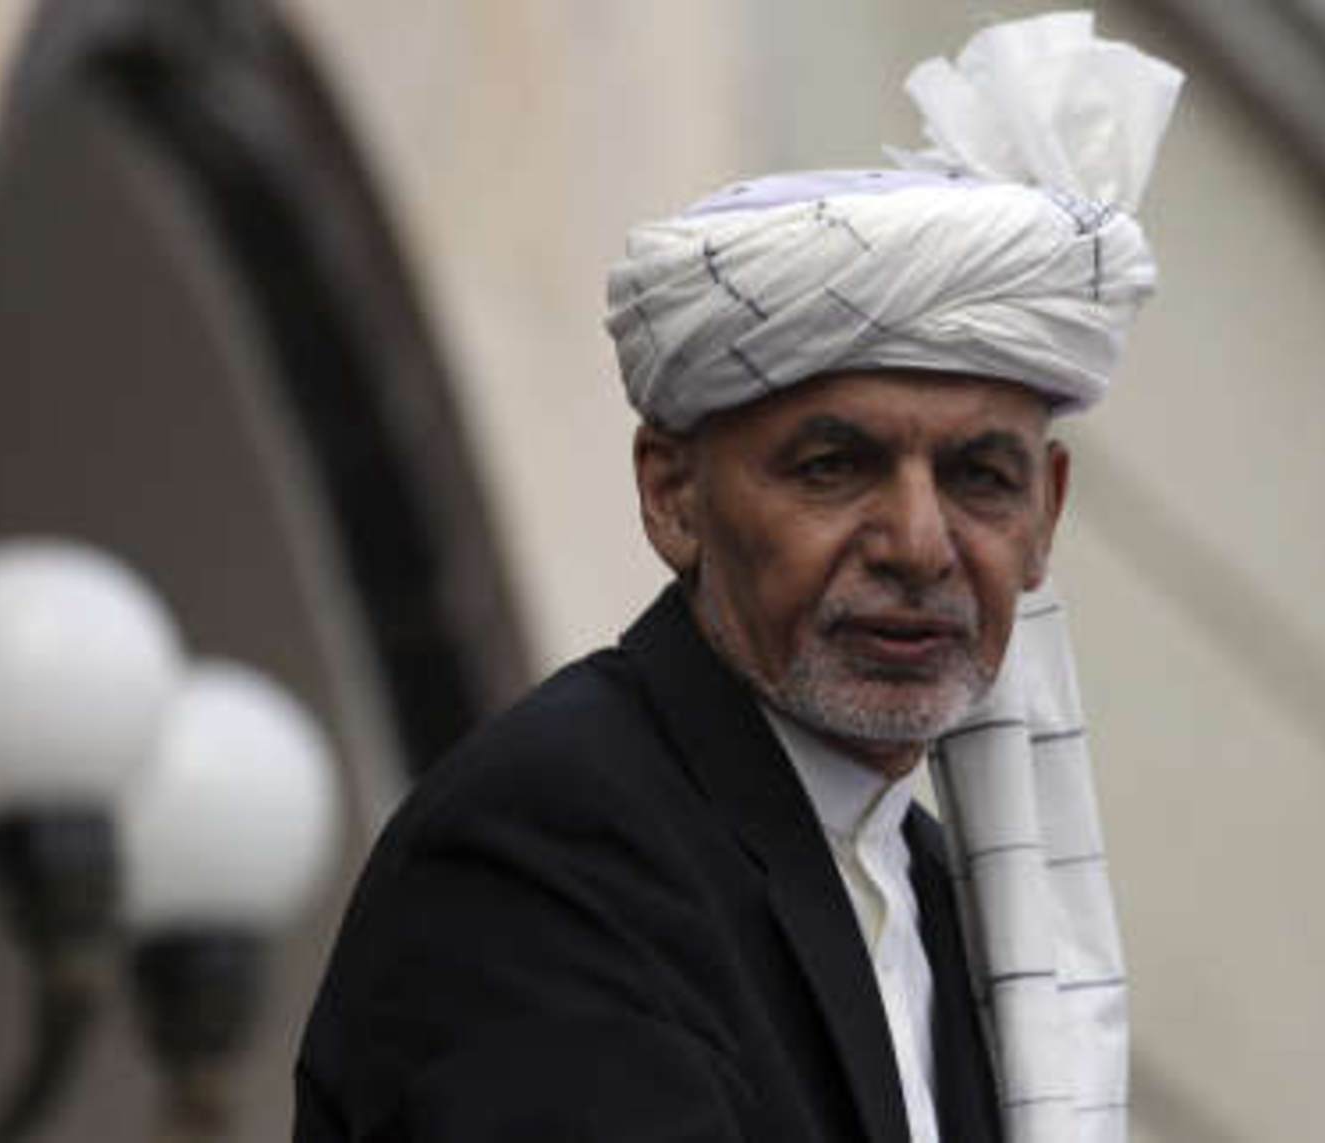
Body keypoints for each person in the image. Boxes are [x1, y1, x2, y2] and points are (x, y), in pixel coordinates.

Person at [294, 12, 1181, 1142]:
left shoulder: (944, 904)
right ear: (673, 494)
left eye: (979, 477)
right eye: (834, 466)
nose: (919, 544)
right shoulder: (556, 838)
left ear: (1045, 515)